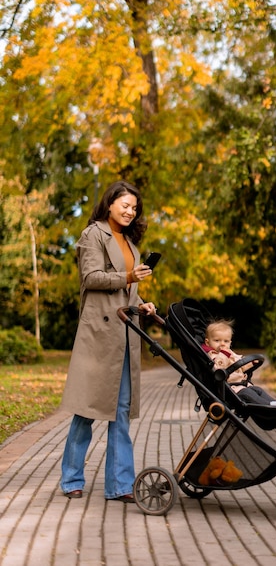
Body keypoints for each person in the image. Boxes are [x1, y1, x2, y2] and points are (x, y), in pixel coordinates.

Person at [60, 180, 157, 503]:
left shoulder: (130, 243)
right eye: (125, 205)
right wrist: (129, 278)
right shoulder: (93, 234)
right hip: (100, 334)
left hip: (125, 333)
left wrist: (141, 301)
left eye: (134, 208)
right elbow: (91, 278)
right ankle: (71, 478)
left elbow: (126, 288)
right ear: (110, 203)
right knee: (87, 409)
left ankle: (120, 485)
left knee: (122, 411)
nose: (130, 212)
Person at [203, 320, 276, 407]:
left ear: (230, 342)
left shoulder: (229, 353)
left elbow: (239, 364)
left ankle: (275, 403)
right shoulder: (212, 355)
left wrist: (250, 363)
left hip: (241, 384)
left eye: (226, 341)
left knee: (258, 390)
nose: (222, 344)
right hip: (229, 389)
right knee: (248, 394)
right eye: (217, 340)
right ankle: (269, 405)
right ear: (207, 342)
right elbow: (218, 368)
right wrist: (224, 354)